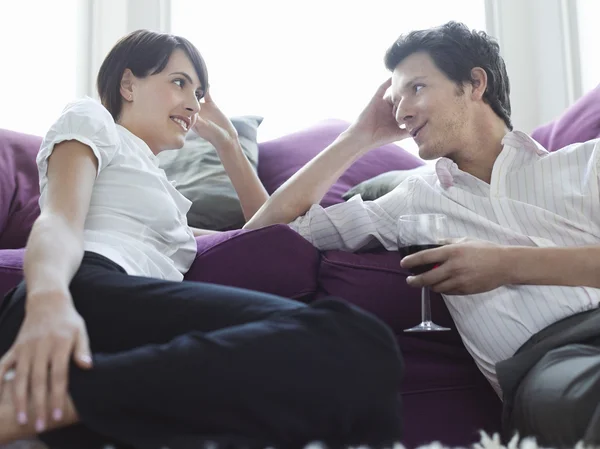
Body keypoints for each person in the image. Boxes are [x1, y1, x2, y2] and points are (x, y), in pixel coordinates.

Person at [0, 29, 403, 449]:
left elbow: (262, 234)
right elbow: (59, 222)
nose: (193, 102)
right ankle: (28, 407)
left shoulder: (164, 198)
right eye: (179, 82)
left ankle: (55, 411)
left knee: (359, 388)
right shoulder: (91, 120)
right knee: (354, 336)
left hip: (126, 334)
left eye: (200, 91)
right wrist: (48, 303)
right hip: (80, 291)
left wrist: (229, 144)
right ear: (128, 84)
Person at [245, 21, 600, 447]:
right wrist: (358, 137)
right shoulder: (412, 200)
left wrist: (506, 264)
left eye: (416, 88)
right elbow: (260, 239)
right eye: (394, 102)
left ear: (474, 83)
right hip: (552, 364)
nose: (400, 112)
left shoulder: (585, 164)